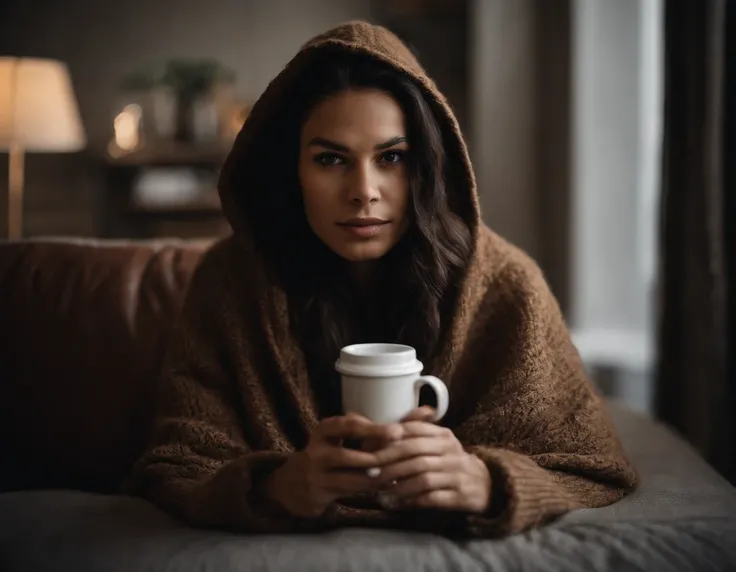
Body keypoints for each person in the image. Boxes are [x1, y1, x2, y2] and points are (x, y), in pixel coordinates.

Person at [124, 21, 637, 537]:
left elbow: (587, 461)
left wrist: (487, 480)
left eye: (391, 158)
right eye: (331, 159)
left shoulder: (507, 285)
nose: (363, 191)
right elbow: (176, 464)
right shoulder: (231, 280)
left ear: (428, 167)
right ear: (291, 170)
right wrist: (279, 485)